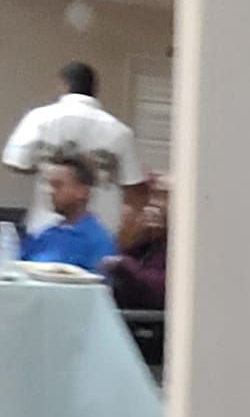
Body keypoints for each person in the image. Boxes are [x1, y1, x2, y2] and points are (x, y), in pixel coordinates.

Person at [3, 61, 145, 243]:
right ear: (94, 89)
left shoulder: (39, 118)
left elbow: (14, 161)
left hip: (45, 225)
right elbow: (132, 184)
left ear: (64, 85)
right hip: (101, 230)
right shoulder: (121, 131)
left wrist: (45, 166)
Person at [18, 157, 117, 271]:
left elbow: (99, 285)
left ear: (83, 192)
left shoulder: (98, 241)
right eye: (51, 185)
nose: (51, 191)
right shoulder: (46, 234)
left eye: (58, 185)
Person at [104, 177, 168, 309]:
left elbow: (161, 287)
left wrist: (125, 264)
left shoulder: (182, 243)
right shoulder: (150, 239)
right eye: (153, 195)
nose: (154, 204)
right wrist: (137, 234)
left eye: (163, 197)